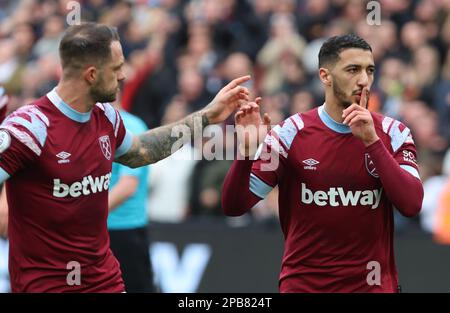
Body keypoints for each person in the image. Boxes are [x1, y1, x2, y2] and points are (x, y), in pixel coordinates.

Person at [0, 22, 250, 292]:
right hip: (46, 285)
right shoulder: (29, 127)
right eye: (117, 68)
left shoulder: (105, 117)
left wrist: (207, 116)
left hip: (104, 280)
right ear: (92, 74)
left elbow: (142, 150)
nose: (124, 75)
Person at [222, 34, 424, 293]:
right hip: (304, 287)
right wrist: (246, 153)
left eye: (370, 70)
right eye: (353, 70)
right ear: (325, 76)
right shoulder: (289, 134)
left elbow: (411, 205)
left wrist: (372, 142)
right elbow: (234, 206)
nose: (364, 80)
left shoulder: (393, 133)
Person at [107, 101, 155, 292]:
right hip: (97, 231)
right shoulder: (89, 124)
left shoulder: (132, 126)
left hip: (124, 230)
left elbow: (128, 186)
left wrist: (86, 215)